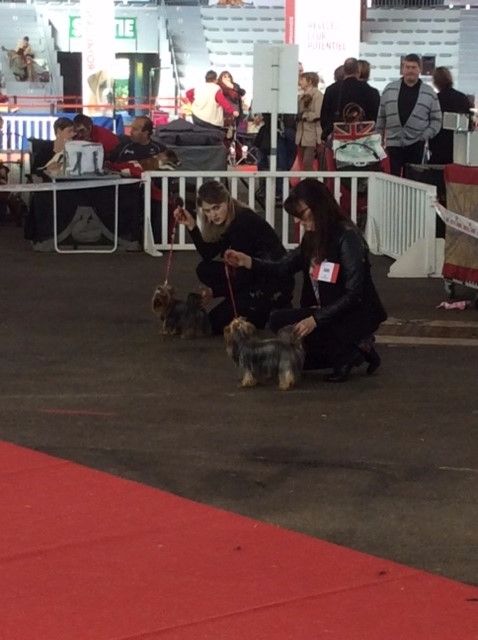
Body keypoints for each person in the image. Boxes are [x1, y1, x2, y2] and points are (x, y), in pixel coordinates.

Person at [224, 178, 387, 382]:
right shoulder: (312, 237)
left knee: (302, 354)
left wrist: (315, 320)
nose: (299, 222)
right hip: (326, 309)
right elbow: (284, 266)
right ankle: (346, 347)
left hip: (353, 313)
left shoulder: (348, 237)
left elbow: (354, 294)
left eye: (302, 215)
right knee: (277, 321)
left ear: (319, 207)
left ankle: (355, 348)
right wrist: (248, 261)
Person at [173, 180, 294, 334]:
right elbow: (208, 254)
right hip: (254, 277)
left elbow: (245, 276)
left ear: (227, 201)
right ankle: (250, 306)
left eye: (216, 208)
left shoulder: (243, 222)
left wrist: (214, 292)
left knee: (212, 324)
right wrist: (191, 226)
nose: (212, 215)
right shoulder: (233, 218)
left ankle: (268, 309)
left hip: (271, 283)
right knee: (204, 269)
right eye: (207, 211)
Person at [375, 53, 442, 176]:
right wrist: (377, 139)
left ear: (420, 69)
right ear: (402, 69)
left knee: (414, 180)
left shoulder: (429, 93)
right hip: (393, 145)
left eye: (414, 67)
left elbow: (437, 120)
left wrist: (425, 135)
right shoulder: (389, 89)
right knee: (393, 181)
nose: (410, 70)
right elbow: (381, 117)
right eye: (407, 67)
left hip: (417, 144)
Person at [320, 57, 380, 141]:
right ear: (358, 71)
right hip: (364, 140)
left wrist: (328, 133)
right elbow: (376, 117)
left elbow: (324, 117)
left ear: (344, 71)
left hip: (338, 139)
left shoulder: (331, 90)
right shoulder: (372, 92)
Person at [429, 66, 472, 165]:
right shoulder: (462, 98)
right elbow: (468, 124)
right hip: (459, 147)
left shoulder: (435, 100)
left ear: (435, 82)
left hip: (438, 146)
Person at [296, 71, 323, 171]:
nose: (300, 82)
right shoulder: (301, 96)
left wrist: (304, 115)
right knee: (302, 164)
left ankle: (311, 184)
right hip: (301, 135)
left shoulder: (318, 95)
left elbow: (318, 114)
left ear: (310, 81)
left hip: (313, 134)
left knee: (307, 163)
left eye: (302, 79)